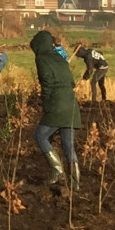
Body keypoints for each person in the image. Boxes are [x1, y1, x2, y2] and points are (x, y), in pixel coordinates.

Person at [30, 29, 82, 187]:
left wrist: (46, 104)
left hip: (57, 103)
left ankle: (57, 170)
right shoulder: (59, 57)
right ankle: (76, 184)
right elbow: (71, 81)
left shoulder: (42, 59)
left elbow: (47, 83)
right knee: (68, 146)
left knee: (40, 136)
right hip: (72, 104)